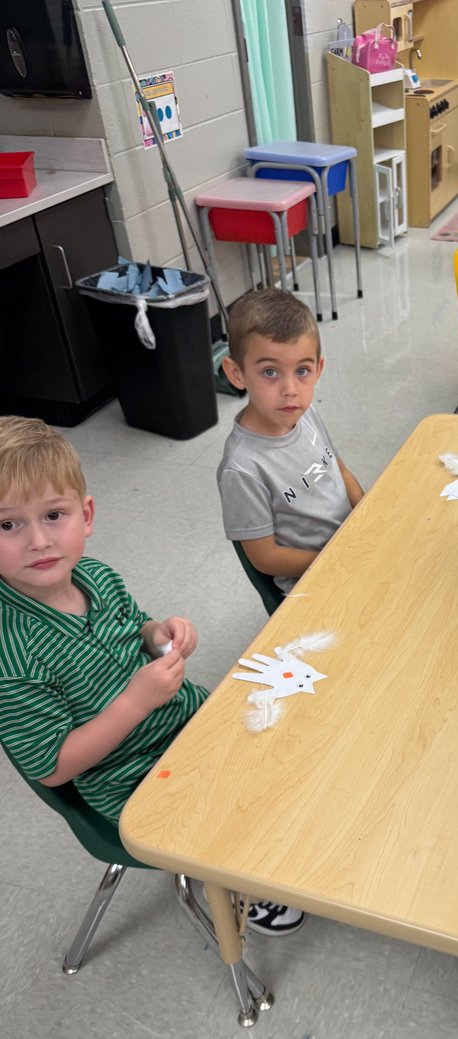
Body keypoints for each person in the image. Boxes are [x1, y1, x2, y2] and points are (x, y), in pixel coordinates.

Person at [0, 417, 304, 937]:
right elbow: (51, 768)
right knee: (246, 807)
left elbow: (133, 626)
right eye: (8, 525)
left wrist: (160, 632)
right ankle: (243, 884)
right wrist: (134, 704)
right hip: (132, 779)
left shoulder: (95, 575)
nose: (38, 541)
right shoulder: (14, 655)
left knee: (290, 731)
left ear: (86, 514)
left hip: (187, 720)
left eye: (54, 514)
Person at [218, 289, 364, 595]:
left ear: (318, 369)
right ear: (237, 373)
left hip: (353, 549)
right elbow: (265, 558)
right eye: (270, 372)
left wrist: (367, 516)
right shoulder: (243, 468)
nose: (290, 390)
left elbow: (341, 471)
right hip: (312, 582)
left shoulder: (306, 413)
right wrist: (336, 558)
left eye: (302, 371)